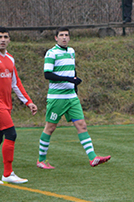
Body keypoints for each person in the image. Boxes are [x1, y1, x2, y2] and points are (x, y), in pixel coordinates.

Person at [37, 28, 110, 169]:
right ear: (55, 38)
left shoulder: (71, 51)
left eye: (66, 35)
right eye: (61, 35)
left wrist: (75, 87)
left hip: (71, 97)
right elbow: (48, 75)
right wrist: (69, 79)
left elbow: (72, 71)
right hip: (57, 98)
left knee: (82, 125)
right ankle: (41, 160)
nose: (64, 38)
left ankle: (93, 158)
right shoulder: (51, 53)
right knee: (50, 128)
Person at [0, 28, 38, 184]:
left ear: (9, 40)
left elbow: (16, 83)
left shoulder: (10, 59)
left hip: (6, 104)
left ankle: (6, 174)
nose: (2, 39)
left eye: (5, 37)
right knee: (11, 134)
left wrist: (28, 101)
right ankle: (8, 173)